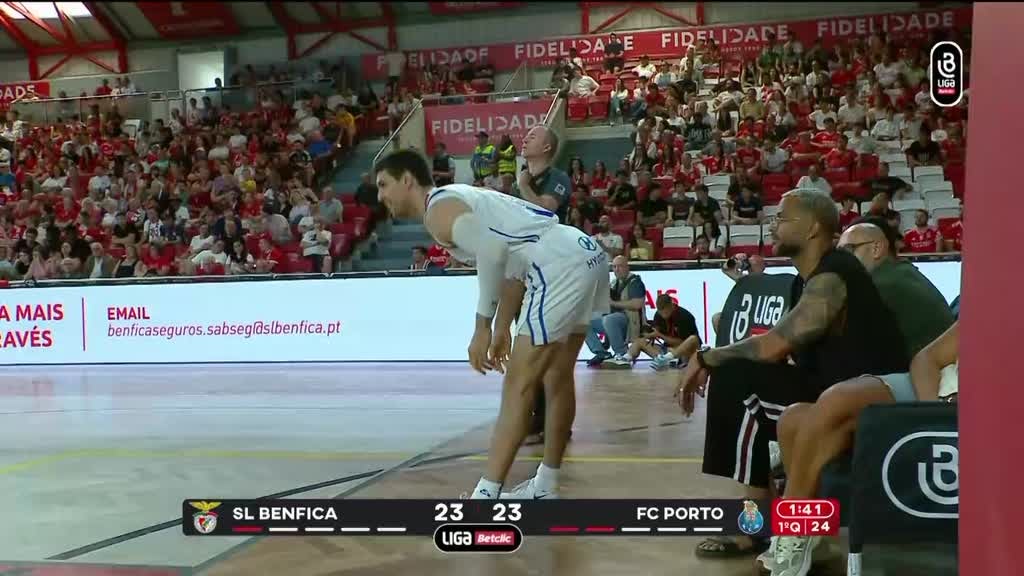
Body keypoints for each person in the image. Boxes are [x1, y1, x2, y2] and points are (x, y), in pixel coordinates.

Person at [677, 189, 908, 561]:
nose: (773, 225)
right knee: (740, 378)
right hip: (833, 391)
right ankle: (760, 521)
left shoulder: (836, 273)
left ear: (813, 227)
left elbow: (775, 345)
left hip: (865, 401)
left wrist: (706, 358)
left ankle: (753, 527)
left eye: (782, 218)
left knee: (736, 380)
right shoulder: (807, 279)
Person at [374, 149, 609, 500]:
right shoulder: (464, 197)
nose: (380, 196)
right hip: (582, 251)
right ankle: (544, 486)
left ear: (407, 180)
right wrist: (501, 329)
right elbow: (511, 267)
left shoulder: (438, 210)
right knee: (557, 377)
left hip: (556, 265)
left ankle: (486, 496)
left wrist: (481, 328)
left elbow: (494, 251)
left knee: (518, 384)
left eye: (383, 185)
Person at [769, 320, 959, 575]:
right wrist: (927, 415)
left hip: (963, 417)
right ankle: (806, 532)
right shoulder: (995, 308)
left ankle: (795, 529)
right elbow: (927, 358)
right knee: (793, 420)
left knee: (803, 420)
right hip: (930, 396)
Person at [513, 124, 574, 439]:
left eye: (533, 136)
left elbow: (545, 210)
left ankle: (551, 423)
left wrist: (523, 185)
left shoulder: (557, 179)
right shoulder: (521, 183)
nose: (525, 139)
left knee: (549, 352)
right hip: (527, 272)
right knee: (527, 349)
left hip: (555, 272)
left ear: (548, 147)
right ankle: (535, 419)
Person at [838, 219, 954, 358]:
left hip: (928, 371)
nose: (841, 259)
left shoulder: (878, 285)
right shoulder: (902, 271)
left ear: (876, 248)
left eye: (848, 250)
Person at [584, 256, 646, 367]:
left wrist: (613, 303)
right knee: (583, 321)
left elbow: (637, 304)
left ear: (627, 267)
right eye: (614, 266)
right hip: (614, 320)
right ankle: (601, 352)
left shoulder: (635, 282)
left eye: (620, 266)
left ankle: (622, 354)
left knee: (609, 319)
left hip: (631, 322)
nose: (616, 269)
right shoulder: (613, 283)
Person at [630, 294, 701, 371]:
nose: (663, 315)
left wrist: (659, 335)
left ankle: (667, 359)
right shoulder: (658, 315)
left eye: (666, 312)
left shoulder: (685, 317)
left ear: (671, 305)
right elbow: (655, 332)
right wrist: (649, 335)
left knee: (691, 340)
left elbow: (683, 342)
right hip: (667, 350)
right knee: (639, 342)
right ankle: (625, 359)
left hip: (685, 351)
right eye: (661, 313)